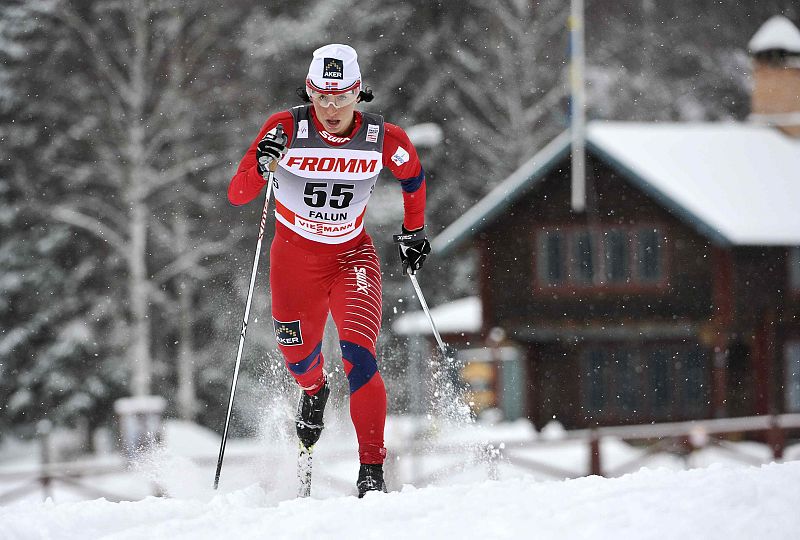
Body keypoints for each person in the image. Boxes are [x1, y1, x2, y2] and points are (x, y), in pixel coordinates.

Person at [228, 44, 431, 497]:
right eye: (322, 96)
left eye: (341, 97)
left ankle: (372, 472)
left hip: (351, 259)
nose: (332, 108)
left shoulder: (383, 137)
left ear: (359, 92)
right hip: (293, 264)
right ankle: (314, 389)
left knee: (360, 356)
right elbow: (237, 194)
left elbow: (413, 176)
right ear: (309, 92)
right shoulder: (285, 128)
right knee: (299, 361)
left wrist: (413, 231)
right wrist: (261, 164)